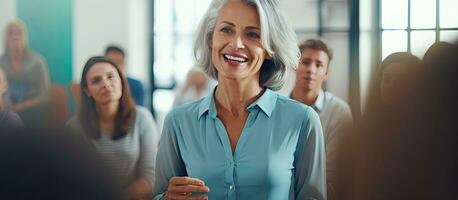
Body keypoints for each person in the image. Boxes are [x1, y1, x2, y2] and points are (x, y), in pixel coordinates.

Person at [153, 0, 326, 199]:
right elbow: (158, 194)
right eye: (226, 30)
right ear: (211, 39)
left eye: (252, 34)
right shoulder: (178, 122)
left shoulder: (302, 120)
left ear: (270, 48)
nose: (236, 44)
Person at [65, 56, 159, 200]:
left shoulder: (142, 118)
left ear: (122, 81)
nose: (106, 84)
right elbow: (70, 179)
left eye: (110, 77)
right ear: (87, 90)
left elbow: (150, 177)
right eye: (96, 80)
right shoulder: (74, 127)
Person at [290, 39, 352, 199]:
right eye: (305, 62)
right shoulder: (277, 108)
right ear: (294, 65)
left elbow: (332, 174)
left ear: (326, 74)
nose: (311, 69)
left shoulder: (339, 111)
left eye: (318, 65)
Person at [0, 20, 51, 128]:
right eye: (10, 33)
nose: (15, 36)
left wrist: (20, 107)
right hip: (4, 111)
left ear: (25, 37)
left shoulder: (37, 61)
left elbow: (45, 96)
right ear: (5, 38)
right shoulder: (1, 62)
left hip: (31, 112)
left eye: (18, 32)